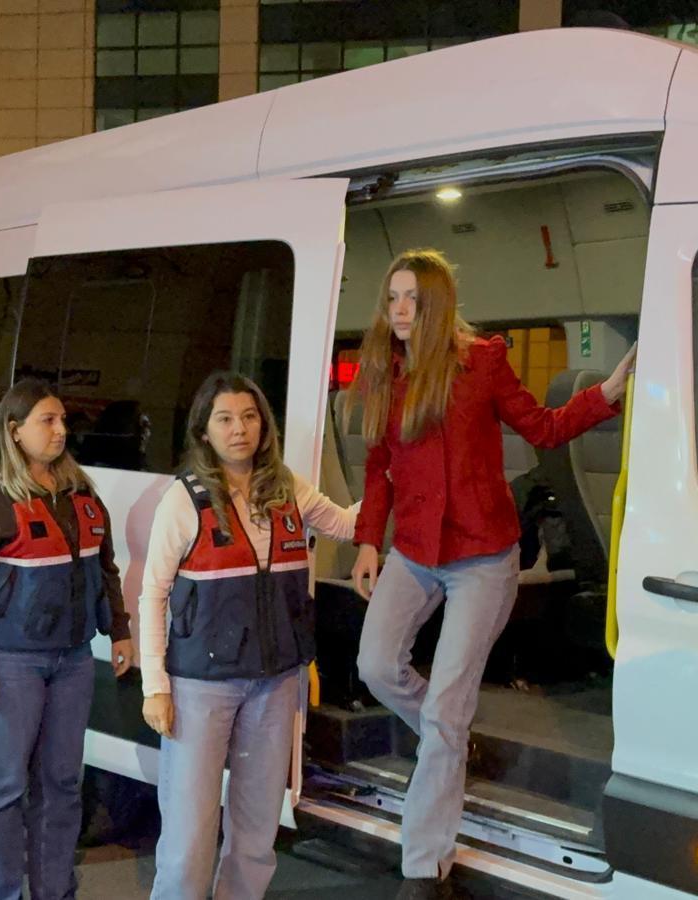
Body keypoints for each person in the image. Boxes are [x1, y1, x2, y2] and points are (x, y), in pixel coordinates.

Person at [347, 249, 634, 899]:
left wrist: (606, 395)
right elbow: (378, 468)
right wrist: (367, 542)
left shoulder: (483, 362)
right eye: (392, 297)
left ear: (437, 303)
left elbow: (544, 427)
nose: (399, 309)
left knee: (447, 708)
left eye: (412, 298)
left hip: (482, 556)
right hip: (415, 550)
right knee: (376, 667)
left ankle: (424, 868)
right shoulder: (385, 372)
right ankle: (448, 736)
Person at [140, 371, 357, 900]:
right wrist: (156, 687)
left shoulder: (287, 489)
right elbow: (153, 594)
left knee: (258, 830)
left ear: (263, 425)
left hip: (275, 682)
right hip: (201, 685)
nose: (239, 429)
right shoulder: (183, 500)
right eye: (225, 419)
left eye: (249, 416)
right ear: (204, 431)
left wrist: (406, 477)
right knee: (189, 837)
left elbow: (348, 525)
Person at [0, 378, 137, 900]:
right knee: (3, 789)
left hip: (72, 660)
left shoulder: (80, 492)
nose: (60, 430)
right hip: (8, 661)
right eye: (47, 421)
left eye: (62, 420)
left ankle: (55, 892)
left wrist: (120, 629)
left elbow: (105, 567)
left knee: (62, 786)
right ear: (13, 430)